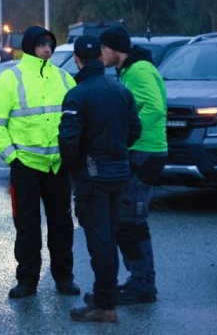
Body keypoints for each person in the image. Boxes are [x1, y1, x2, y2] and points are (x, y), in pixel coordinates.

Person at [0, 26, 80, 299]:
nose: (47, 49)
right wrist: (13, 157)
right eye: (41, 45)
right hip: (26, 165)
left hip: (57, 166)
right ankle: (27, 281)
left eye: (50, 44)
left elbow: (76, 117)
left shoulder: (62, 78)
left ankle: (64, 279)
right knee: (27, 228)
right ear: (29, 47)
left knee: (62, 227)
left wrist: (69, 153)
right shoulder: (10, 78)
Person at [59, 36, 142, 323]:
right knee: (110, 237)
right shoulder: (120, 90)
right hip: (118, 174)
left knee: (100, 242)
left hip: (92, 179)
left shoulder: (77, 95)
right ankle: (104, 297)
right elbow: (135, 130)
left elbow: (68, 141)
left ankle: (105, 305)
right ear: (99, 59)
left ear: (78, 59)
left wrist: (74, 167)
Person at [99, 25, 166, 304]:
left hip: (144, 152)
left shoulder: (138, 71)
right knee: (129, 220)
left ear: (115, 49)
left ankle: (142, 284)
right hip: (141, 151)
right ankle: (138, 280)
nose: (101, 54)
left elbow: (154, 108)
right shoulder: (129, 70)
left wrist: (128, 135)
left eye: (104, 49)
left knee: (132, 221)